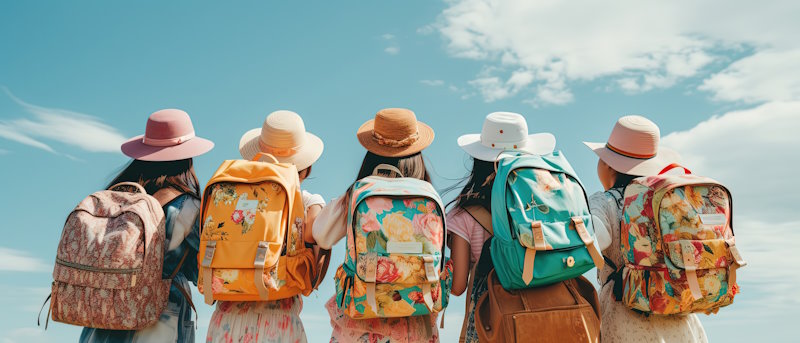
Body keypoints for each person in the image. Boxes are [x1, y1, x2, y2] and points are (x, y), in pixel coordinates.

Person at [80, 109, 214, 342]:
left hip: (105, 316)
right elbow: (200, 272)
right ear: (186, 157)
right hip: (158, 318)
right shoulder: (188, 207)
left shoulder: (113, 197)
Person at [312, 108, 441, 343]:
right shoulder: (429, 196)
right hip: (416, 320)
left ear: (371, 154)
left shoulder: (358, 193)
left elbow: (321, 235)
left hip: (362, 319)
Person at [584, 115, 708, 342]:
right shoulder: (672, 202)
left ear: (608, 165)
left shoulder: (605, 202)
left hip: (628, 322)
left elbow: (591, 241)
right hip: (681, 321)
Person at [206, 110, 326, 343]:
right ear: (305, 165)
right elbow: (315, 259)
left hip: (225, 320)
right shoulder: (309, 202)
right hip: (279, 319)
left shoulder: (231, 195)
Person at [444, 112, 556, 342]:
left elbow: (457, 287)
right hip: (541, 321)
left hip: (490, 325)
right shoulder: (542, 207)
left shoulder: (463, 215)